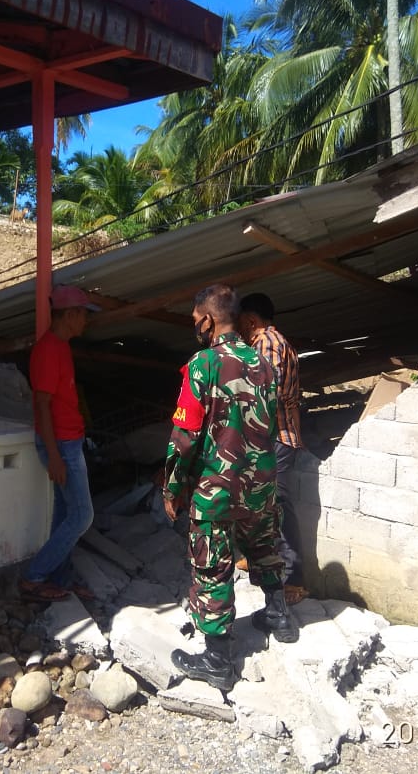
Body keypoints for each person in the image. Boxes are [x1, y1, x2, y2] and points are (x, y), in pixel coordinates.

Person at [162, 284, 298, 692]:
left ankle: (218, 659)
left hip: (217, 489)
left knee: (211, 566)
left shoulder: (202, 365)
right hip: (260, 483)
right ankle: (278, 616)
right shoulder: (264, 365)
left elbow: (184, 436)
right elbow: (270, 426)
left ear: (206, 319)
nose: (195, 328)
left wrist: (172, 488)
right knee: (264, 547)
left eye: (195, 321)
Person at [18, 284, 99, 603]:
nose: (86, 322)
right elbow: (41, 405)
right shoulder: (50, 349)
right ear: (71, 315)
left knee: (66, 514)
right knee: (82, 516)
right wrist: (53, 455)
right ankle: (33, 577)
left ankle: (59, 578)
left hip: (69, 441)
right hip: (62, 444)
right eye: (84, 316)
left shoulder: (60, 346)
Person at [238, 293, 306, 599]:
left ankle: (293, 578)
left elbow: (267, 393)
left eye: (241, 322)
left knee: (278, 506)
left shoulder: (266, 342)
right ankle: (261, 560)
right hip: (279, 436)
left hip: (276, 438)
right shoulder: (278, 342)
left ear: (251, 320)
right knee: (267, 505)